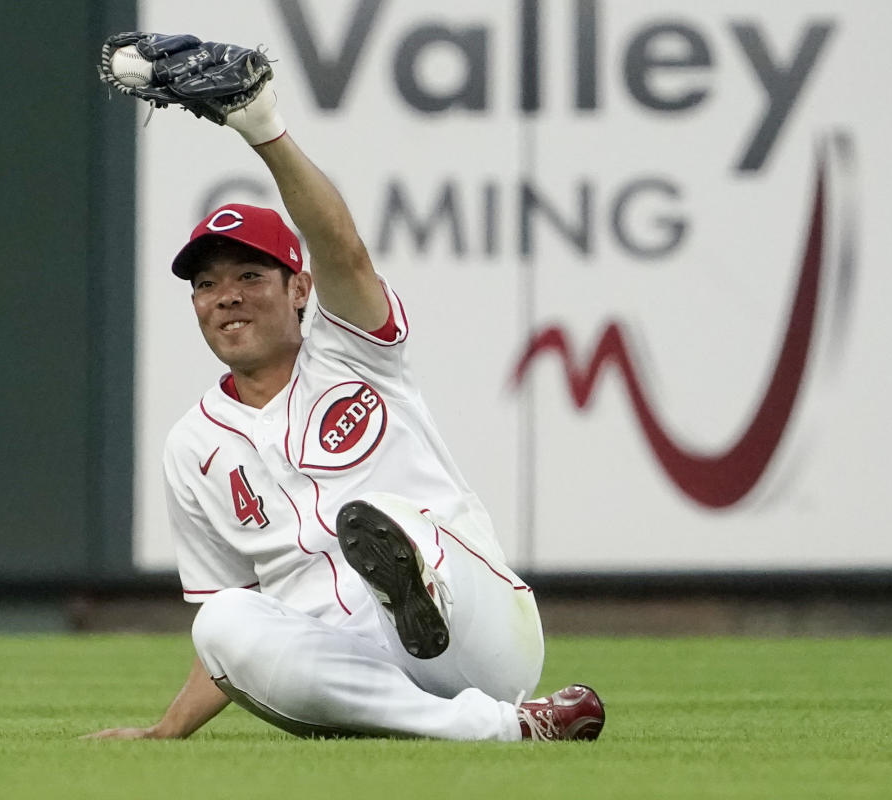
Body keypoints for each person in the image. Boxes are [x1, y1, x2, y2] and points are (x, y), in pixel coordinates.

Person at [87, 33, 604, 743]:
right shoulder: (193, 447)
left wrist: (262, 129)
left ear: (299, 288)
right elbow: (231, 638)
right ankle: (500, 731)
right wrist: (164, 732)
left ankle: (418, 598)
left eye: (249, 276)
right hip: (355, 670)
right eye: (206, 284)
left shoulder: (353, 353)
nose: (226, 296)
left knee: (384, 517)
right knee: (222, 621)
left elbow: (343, 250)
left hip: (482, 629)